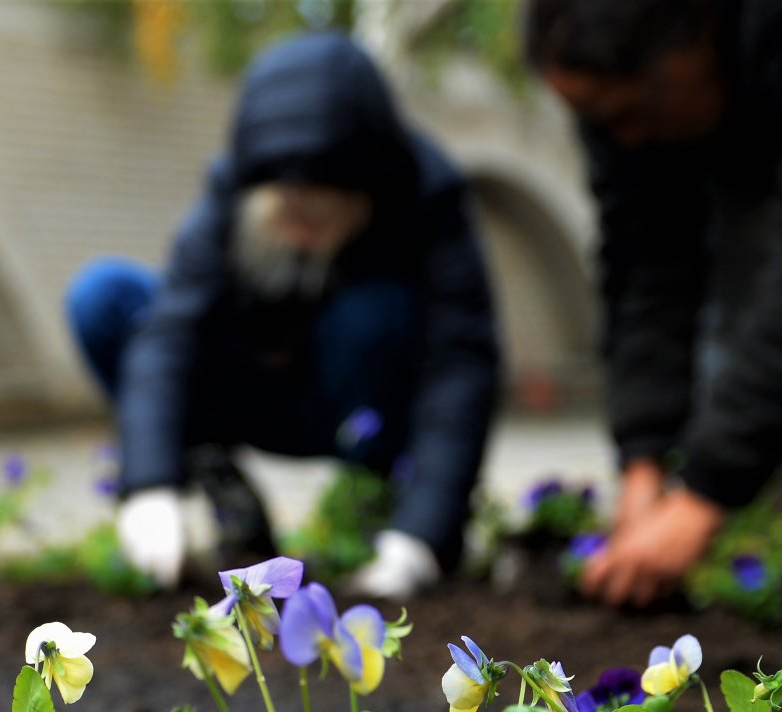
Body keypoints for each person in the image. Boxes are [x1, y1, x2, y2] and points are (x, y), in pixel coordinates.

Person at [67, 33, 500, 600]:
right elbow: (171, 330)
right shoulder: (235, 185)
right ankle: (213, 475)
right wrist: (148, 482)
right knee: (106, 298)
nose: (301, 230)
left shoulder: (425, 189)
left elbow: (460, 359)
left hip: (359, 405)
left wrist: (424, 535)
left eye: (321, 215)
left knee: (373, 315)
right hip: (254, 390)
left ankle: (379, 504)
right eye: (288, 211)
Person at [527, 0, 782, 608]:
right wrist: (644, 464)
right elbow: (644, 268)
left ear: (694, 34)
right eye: (600, 123)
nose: (625, 138)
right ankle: (761, 562)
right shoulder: (622, 110)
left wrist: (704, 496)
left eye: (634, 109)